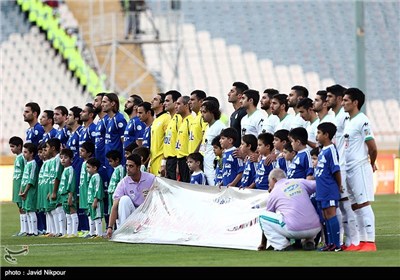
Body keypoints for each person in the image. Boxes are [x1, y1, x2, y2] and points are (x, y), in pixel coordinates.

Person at [342, 88, 378, 252]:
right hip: (349, 167)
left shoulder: (362, 120)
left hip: (359, 166)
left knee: (363, 204)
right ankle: (360, 242)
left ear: (355, 102)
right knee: (355, 205)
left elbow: (372, 146)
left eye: (346, 100)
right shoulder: (349, 120)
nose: (343, 103)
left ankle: (370, 242)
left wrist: (371, 163)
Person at [326, 84, 358, 249]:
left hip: (344, 165)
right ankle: (346, 241)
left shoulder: (343, 118)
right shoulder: (335, 117)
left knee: (346, 204)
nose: (327, 100)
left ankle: (352, 241)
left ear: (339, 99)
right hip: (338, 165)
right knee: (341, 205)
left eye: (330, 97)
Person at [258, 168, 321, 251]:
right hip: (315, 228)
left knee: (262, 217)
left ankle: (283, 245)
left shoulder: (274, 192)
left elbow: (268, 218)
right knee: (307, 208)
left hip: (294, 230)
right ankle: (309, 241)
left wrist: (263, 243)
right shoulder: (299, 182)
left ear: (273, 180)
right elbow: (320, 185)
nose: (269, 185)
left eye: (269, 182)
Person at [106, 154, 156, 238]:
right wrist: (110, 227)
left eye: (131, 166)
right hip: (132, 213)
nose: (128, 169)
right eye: (126, 166)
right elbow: (115, 206)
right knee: (124, 200)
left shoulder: (151, 178)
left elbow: (161, 197)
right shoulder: (123, 182)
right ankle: (124, 233)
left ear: (138, 167)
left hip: (147, 212)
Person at [315, 122, 342, 251]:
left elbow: (336, 169)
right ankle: (329, 243)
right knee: (325, 216)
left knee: (331, 214)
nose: (317, 135)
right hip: (322, 188)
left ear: (326, 135)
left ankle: (336, 245)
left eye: (319, 133)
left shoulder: (331, 149)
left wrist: (339, 185)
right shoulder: (322, 150)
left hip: (329, 187)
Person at [199, 100, 226, 184]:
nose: (202, 115)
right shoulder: (207, 127)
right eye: (201, 112)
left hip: (215, 168)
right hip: (206, 166)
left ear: (212, 113)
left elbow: (224, 147)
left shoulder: (220, 126)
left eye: (204, 112)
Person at [161, 90, 182, 179]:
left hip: (175, 160)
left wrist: (178, 162)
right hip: (169, 160)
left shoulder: (179, 119)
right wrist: (164, 162)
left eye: (167, 101)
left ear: (175, 102)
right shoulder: (171, 119)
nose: (164, 103)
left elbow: (181, 141)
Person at [58, 148, 79, 238]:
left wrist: (70, 196)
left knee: (72, 211)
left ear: (71, 159)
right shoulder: (64, 170)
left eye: (65, 158)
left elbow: (71, 183)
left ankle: (74, 232)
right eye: (61, 157)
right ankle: (69, 232)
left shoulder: (70, 169)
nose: (63, 159)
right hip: (63, 195)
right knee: (67, 213)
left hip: (68, 195)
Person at [20, 143, 39, 236]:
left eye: (25, 152)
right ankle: (29, 231)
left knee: (31, 210)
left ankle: (34, 231)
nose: (24, 154)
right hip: (24, 191)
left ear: (31, 153)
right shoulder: (27, 164)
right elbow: (24, 178)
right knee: (27, 211)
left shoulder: (33, 164)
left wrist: (25, 191)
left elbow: (31, 179)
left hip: (30, 192)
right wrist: (21, 190)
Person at [9, 136, 27, 236]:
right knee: (20, 208)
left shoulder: (22, 158)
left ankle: (25, 230)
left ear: (19, 146)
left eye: (13, 146)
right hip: (16, 185)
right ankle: (22, 229)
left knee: (23, 208)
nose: (11, 149)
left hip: (21, 185)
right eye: (10, 147)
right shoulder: (17, 158)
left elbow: (25, 172)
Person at [150, 93, 170, 175]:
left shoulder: (167, 118)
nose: (151, 101)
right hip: (153, 162)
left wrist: (163, 163)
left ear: (162, 104)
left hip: (160, 163)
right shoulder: (155, 120)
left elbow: (168, 141)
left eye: (155, 99)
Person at [176, 96, 194, 182]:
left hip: (187, 160)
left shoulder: (191, 121)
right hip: (180, 160)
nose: (176, 106)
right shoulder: (182, 121)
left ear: (186, 106)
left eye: (178, 104)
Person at [86, 158, 105, 238]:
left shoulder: (97, 176)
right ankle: (92, 232)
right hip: (90, 201)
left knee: (97, 217)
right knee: (91, 216)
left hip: (96, 201)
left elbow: (98, 189)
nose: (87, 169)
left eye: (88, 167)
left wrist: (95, 200)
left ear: (95, 168)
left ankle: (99, 233)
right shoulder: (92, 177)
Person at [106, 150, 126, 220]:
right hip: (111, 193)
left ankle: (118, 228)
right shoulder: (115, 169)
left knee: (117, 212)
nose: (109, 163)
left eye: (111, 161)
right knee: (112, 212)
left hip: (116, 194)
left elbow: (121, 182)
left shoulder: (121, 169)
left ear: (117, 160)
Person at [228, 81, 249, 147]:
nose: (228, 94)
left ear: (239, 95)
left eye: (232, 91)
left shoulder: (244, 112)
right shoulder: (233, 114)